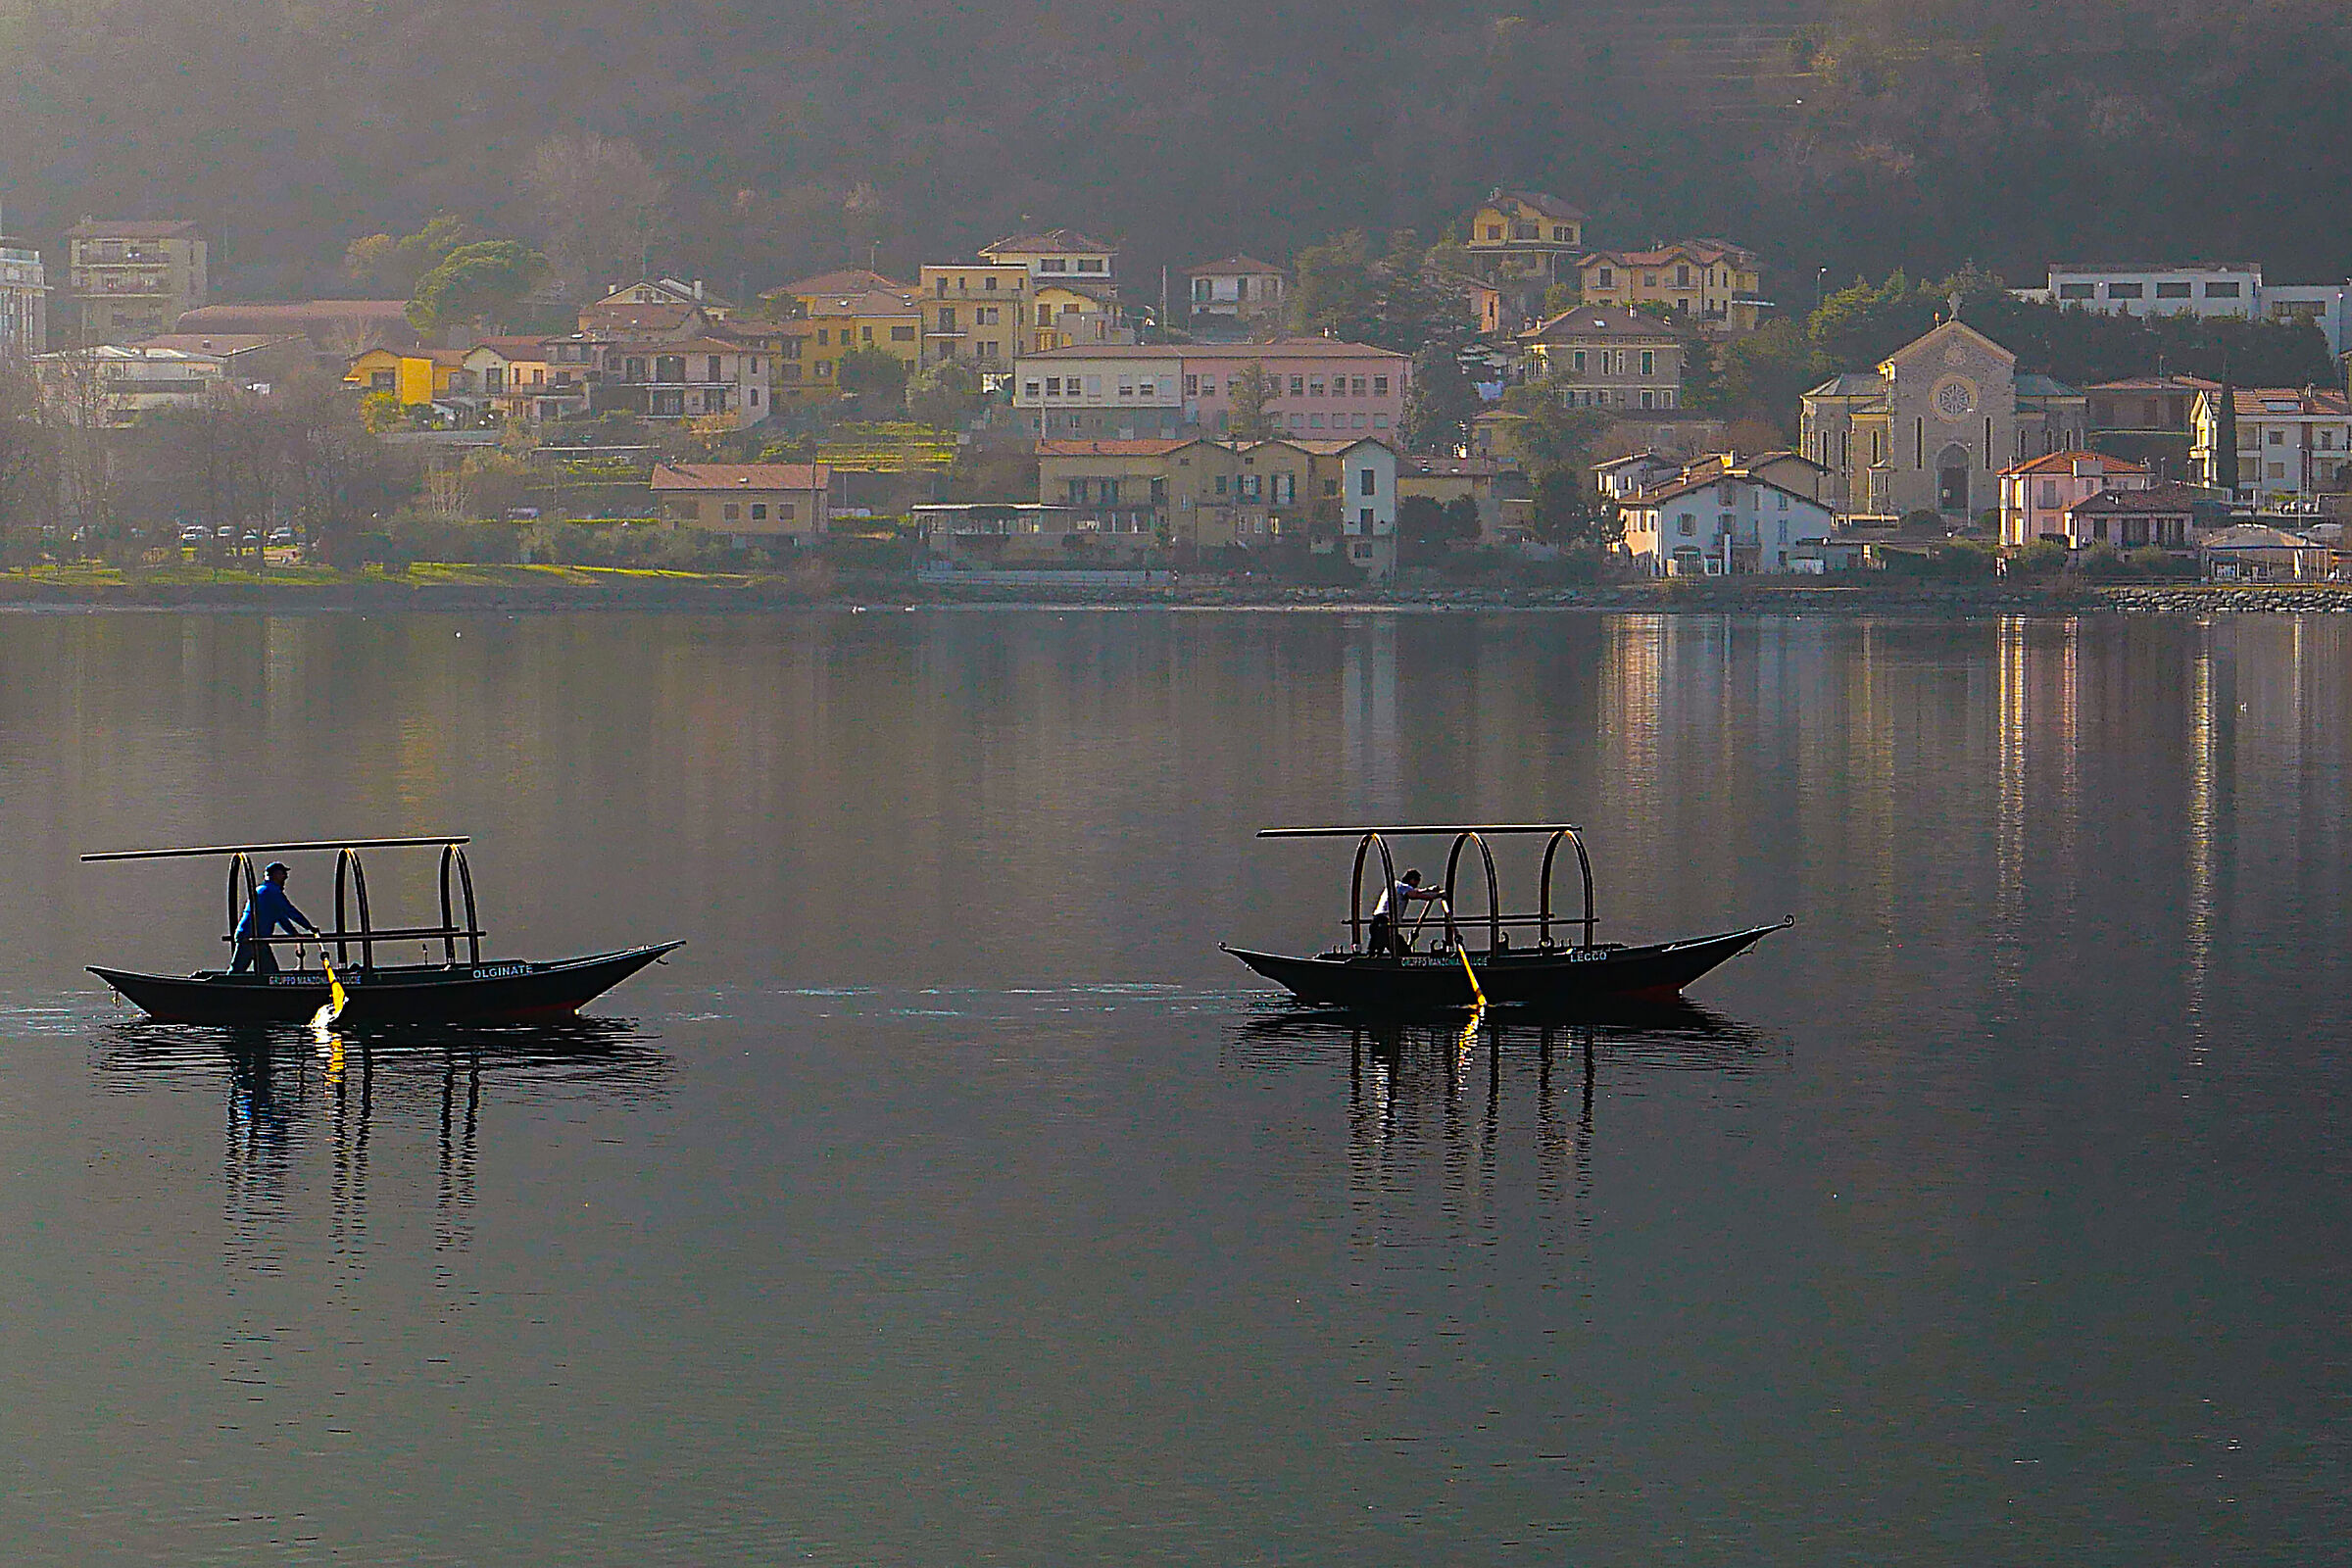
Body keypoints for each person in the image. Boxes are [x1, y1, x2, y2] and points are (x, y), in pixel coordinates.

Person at [229, 861, 320, 975]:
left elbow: (280, 917)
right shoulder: (271, 892)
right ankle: (220, 989)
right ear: (276, 875)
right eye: (283, 874)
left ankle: (223, 987)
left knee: (252, 971)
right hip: (252, 938)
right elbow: (289, 911)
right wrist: (309, 927)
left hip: (253, 938)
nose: (286, 877)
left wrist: (294, 934)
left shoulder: (263, 890)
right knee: (267, 973)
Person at [1369, 868, 1446, 956]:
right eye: (1416, 883)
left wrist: (1429, 889)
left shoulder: (1395, 885)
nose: (1416, 886)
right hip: (1385, 924)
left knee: (1375, 951)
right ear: (1412, 880)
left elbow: (1415, 891)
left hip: (1376, 922)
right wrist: (1439, 895)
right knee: (1403, 952)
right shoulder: (1403, 887)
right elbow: (1416, 895)